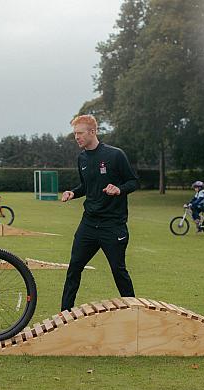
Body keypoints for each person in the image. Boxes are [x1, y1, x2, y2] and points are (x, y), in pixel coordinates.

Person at [60, 115, 139, 311]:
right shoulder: (82, 158)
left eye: (79, 133)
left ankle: (133, 311)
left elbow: (133, 182)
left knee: (118, 271)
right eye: (75, 133)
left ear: (92, 132)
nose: (76, 137)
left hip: (112, 225)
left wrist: (119, 189)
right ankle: (64, 314)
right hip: (88, 224)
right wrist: (73, 192)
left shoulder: (115, 155)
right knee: (74, 269)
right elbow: (86, 186)